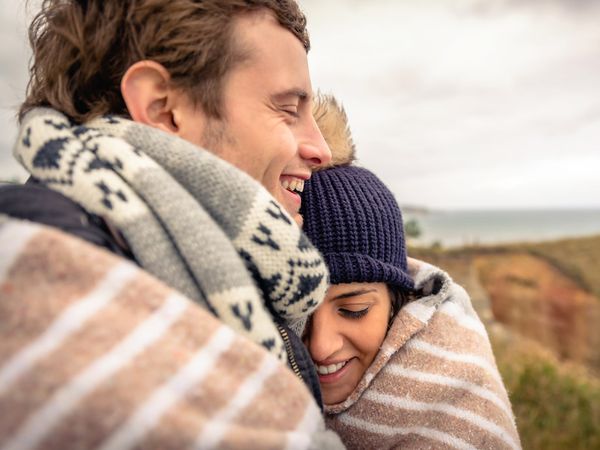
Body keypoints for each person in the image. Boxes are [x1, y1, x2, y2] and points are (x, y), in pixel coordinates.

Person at [0, 1, 345, 448]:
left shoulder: (220, 268)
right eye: (287, 108)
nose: (322, 151)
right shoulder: (43, 280)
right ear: (163, 108)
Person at [301, 164, 522, 448]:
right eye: (297, 313)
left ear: (398, 300)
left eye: (354, 310)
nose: (321, 346)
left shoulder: (459, 397)